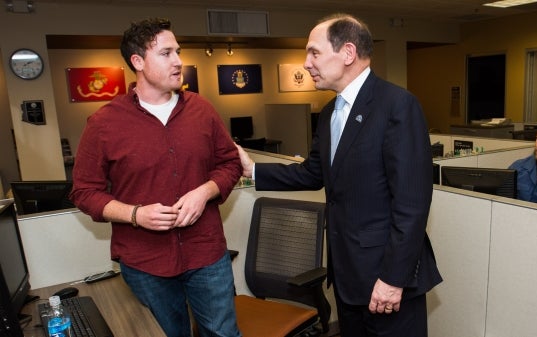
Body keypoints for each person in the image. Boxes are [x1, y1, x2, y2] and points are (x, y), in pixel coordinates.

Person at [237, 13, 441, 337]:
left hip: (386, 279)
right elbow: (314, 172)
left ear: (347, 53)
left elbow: (412, 206)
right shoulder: (331, 112)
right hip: (347, 276)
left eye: (313, 52)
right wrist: (254, 171)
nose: (306, 63)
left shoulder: (397, 105)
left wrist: (392, 279)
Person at [70, 18, 242, 337]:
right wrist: (135, 214)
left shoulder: (202, 110)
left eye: (177, 51)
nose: (178, 61)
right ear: (137, 61)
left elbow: (230, 163)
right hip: (145, 261)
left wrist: (205, 191)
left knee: (223, 333)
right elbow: (84, 192)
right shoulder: (103, 124)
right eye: (165, 53)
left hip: (206, 254)